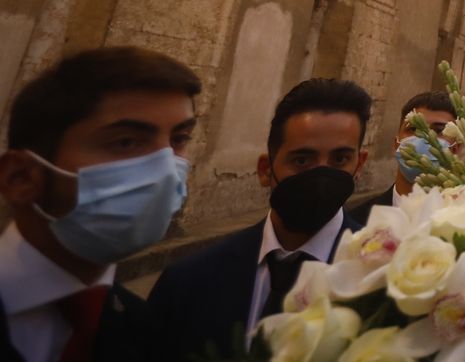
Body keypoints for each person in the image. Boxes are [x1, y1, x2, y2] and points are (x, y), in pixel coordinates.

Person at [146, 79, 371, 358]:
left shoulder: (380, 281)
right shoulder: (189, 281)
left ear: (359, 165)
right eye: (302, 160)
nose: (320, 177)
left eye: (339, 160)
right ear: (266, 170)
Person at [0, 47, 199, 362]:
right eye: (126, 142)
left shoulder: (146, 330)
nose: (164, 169)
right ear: (21, 177)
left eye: (179, 139)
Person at [348, 90, 455, 222]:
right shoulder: (356, 223)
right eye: (413, 129)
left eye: (438, 131)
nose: (424, 139)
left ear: (455, 148)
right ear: (396, 144)